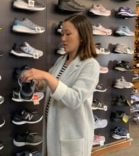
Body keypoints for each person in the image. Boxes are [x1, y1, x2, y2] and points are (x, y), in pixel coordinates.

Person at [21, 14, 100, 156]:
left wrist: (46, 75)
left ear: (82, 36)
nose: (63, 39)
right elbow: (48, 85)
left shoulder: (90, 65)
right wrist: (36, 80)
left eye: (68, 34)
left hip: (72, 134)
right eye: (62, 34)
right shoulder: (62, 60)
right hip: (53, 129)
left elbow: (75, 98)